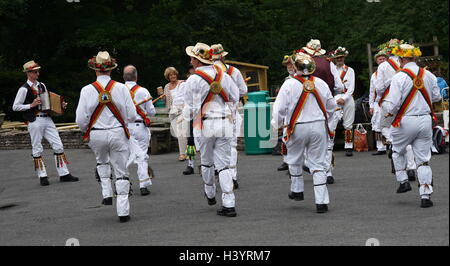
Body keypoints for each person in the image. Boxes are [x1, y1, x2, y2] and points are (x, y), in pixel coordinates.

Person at [271, 52, 337, 213]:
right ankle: (321, 202)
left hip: (297, 127)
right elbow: (331, 107)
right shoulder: (320, 83)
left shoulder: (289, 84)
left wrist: (277, 125)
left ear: (296, 68)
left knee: (294, 159)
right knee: (318, 163)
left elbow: (279, 109)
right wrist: (327, 123)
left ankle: (298, 190)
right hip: (319, 125)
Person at [76, 51, 137, 223]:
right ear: (111, 69)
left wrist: (87, 129)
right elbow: (132, 116)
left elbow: (80, 120)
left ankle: (106, 193)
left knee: (101, 160)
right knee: (121, 170)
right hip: (117, 132)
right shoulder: (121, 88)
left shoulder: (86, 90)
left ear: (95, 70)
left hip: (96, 133)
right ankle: (123, 211)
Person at [182, 42, 239, 217]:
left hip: (205, 123)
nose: (190, 61)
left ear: (196, 60)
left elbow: (189, 108)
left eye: (192, 58)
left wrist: (190, 120)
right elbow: (235, 97)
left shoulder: (192, 80)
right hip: (224, 122)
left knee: (206, 161)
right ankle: (229, 203)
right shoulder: (223, 75)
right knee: (223, 165)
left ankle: (210, 193)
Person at [381, 43, 441, 208]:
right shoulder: (428, 74)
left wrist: (386, 110)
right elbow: (436, 97)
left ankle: (403, 180)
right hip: (425, 120)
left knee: (397, 150)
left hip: (405, 120)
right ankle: (425, 195)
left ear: (401, 59)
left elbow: (392, 105)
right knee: (423, 159)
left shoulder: (398, 77)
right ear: (415, 57)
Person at [13, 60, 79, 186]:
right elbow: (15, 107)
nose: (38, 73)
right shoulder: (23, 89)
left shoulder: (42, 85)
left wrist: (60, 105)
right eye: (35, 71)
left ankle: (64, 174)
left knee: (58, 144)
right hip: (34, 119)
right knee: (37, 147)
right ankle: (42, 176)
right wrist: (30, 105)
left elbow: (48, 103)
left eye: (38, 71)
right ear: (28, 73)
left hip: (47, 118)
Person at [375, 39, 417, 181]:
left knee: (385, 127)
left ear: (388, 51)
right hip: (407, 103)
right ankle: (411, 166)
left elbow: (379, 88)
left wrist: (379, 99)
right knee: (407, 134)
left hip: (389, 102)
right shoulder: (412, 67)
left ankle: (393, 145)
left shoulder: (383, 66)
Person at [210, 44, 248, 189]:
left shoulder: (204, 74)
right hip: (231, 111)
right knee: (231, 145)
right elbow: (243, 91)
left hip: (210, 113)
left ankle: (218, 172)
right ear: (223, 55)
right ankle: (232, 175)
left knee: (212, 146)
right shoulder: (234, 71)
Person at [123, 65, 156, 196]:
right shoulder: (143, 91)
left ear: (124, 77)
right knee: (141, 155)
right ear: (136, 76)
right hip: (139, 127)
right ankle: (143, 185)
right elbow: (151, 112)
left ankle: (123, 182)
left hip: (124, 128)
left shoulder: (118, 90)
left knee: (124, 156)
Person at [329, 47, 356, 157]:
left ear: (344, 58)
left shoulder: (350, 70)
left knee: (348, 124)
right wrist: (336, 99)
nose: (340, 59)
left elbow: (351, 87)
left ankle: (348, 147)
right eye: (337, 58)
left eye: (341, 57)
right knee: (332, 122)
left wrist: (344, 98)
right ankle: (330, 145)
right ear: (335, 59)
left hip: (348, 97)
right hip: (335, 97)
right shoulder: (331, 70)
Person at [164, 67, 188, 161]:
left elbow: (186, 96)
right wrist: (162, 98)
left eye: (174, 74)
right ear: (168, 77)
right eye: (170, 75)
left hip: (182, 110)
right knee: (179, 134)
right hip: (172, 112)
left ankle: (183, 154)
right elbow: (167, 101)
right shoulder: (167, 87)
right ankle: (186, 151)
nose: (173, 76)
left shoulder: (182, 84)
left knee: (182, 133)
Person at [277, 54, 296, 172]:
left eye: (291, 64)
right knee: (285, 137)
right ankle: (286, 160)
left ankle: (297, 163)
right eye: (287, 65)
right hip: (288, 112)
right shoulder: (286, 80)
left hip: (298, 112)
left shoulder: (302, 78)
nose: (289, 66)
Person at [369, 50, 389, 155]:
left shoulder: (390, 72)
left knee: (389, 122)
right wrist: (371, 105)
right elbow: (372, 91)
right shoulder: (374, 75)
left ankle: (391, 144)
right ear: (376, 61)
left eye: (383, 59)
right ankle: (380, 147)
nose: (381, 60)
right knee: (377, 123)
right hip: (378, 102)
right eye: (379, 59)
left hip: (388, 100)